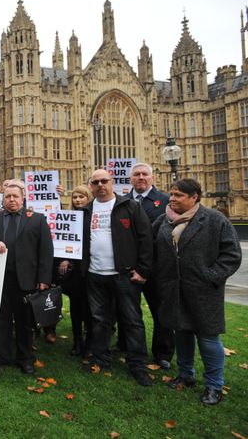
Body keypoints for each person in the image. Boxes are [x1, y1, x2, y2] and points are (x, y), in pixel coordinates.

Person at [153, 179, 241, 405]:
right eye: (171, 194)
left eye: (179, 195)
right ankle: (186, 374)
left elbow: (231, 255)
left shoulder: (214, 220)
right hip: (174, 289)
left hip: (203, 290)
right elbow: (151, 250)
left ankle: (214, 385)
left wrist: (211, 277)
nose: (172, 199)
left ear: (194, 197)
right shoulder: (164, 221)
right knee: (181, 333)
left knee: (208, 338)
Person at [83, 169, 153, 386]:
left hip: (123, 274)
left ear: (112, 182)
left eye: (104, 181)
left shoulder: (130, 206)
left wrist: (142, 270)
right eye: (96, 182)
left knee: (132, 321)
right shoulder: (85, 210)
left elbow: (146, 239)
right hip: (95, 274)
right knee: (99, 320)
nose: (100, 185)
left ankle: (138, 365)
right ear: (91, 186)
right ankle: (101, 359)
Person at [0, 180, 53, 374]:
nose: (11, 200)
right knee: (1, 320)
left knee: (25, 322)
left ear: (23, 199)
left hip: (26, 280)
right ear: (3, 199)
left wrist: (44, 279)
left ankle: (25, 358)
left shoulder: (37, 219)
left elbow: (46, 251)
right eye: (8, 197)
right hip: (0, 280)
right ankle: (2, 356)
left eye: (15, 196)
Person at [125, 162, 172, 369]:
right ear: (130, 179)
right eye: (137, 175)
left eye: (145, 174)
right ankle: (132, 349)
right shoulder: (122, 201)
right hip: (129, 268)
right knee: (129, 314)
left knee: (161, 313)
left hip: (157, 269)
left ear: (152, 178)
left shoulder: (165, 201)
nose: (141, 178)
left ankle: (163, 353)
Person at [55, 185, 92, 356]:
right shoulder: (69, 217)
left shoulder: (94, 216)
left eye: (81, 197)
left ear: (88, 198)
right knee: (76, 308)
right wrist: (64, 258)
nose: (77, 200)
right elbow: (62, 237)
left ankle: (91, 343)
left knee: (92, 309)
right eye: (75, 197)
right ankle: (78, 342)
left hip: (92, 268)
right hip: (75, 271)